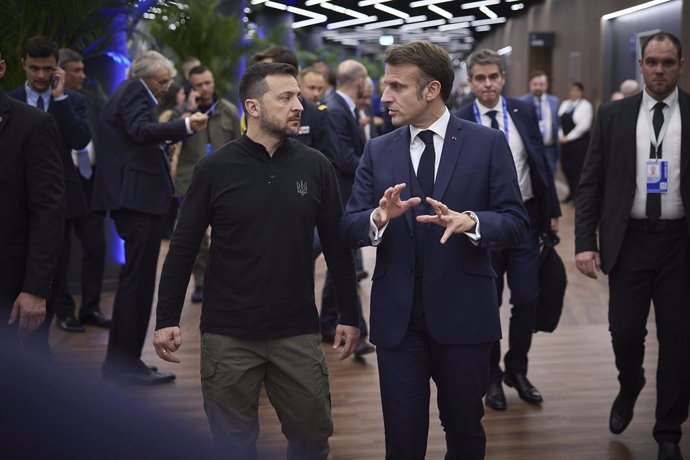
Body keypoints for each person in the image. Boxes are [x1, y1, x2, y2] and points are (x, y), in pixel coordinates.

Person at [153, 62, 360, 459]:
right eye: (286, 97)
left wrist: (349, 315)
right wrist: (166, 319)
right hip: (228, 333)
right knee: (233, 444)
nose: (298, 105)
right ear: (253, 107)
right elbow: (183, 246)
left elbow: (336, 245)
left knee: (312, 439)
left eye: (298, 95)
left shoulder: (316, 166)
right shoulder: (214, 169)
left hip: (296, 330)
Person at [340, 41, 529, 459]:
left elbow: (516, 223)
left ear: (431, 90)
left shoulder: (487, 143)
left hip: (463, 317)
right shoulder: (378, 149)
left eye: (395, 86)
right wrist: (377, 218)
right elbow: (348, 226)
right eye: (383, 86)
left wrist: (473, 222)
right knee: (403, 442)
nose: (383, 96)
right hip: (398, 322)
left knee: (464, 433)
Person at [575, 32, 689, 460]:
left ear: (680, 64)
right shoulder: (613, 115)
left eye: (668, 62)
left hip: (680, 243)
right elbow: (590, 184)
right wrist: (585, 242)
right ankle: (630, 382)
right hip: (630, 242)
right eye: (652, 62)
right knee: (625, 332)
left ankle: (668, 432)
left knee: (679, 342)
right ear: (640, 65)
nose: (659, 70)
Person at [91, 50, 208, 385]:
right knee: (136, 286)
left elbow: (136, 137)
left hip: (138, 201)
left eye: (167, 82)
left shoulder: (132, 93)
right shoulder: (132, 91)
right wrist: (185, 124)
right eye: (161, 82)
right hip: (137, 201)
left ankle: (125, 362)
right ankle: (122, 365)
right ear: (141, 76)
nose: (164, 88)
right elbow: (140, 131)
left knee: (139, 284)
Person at [456, 49, 561, 412]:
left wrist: (553, 211)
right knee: (488, 303)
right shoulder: (459, 120)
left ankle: (518, 369)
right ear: (470, 82)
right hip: (482, 225)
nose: (487, 84)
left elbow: (541, 163)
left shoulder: (523, 111)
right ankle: (492, 376)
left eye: (493, 77)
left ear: (503, 77)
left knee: (528, 298)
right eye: (480, 78)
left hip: (526, 221)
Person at [9, 36, 91, 353]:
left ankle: (42, 343)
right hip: (17, 205)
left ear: (57, 68)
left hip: (62, 203)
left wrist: (59, 100)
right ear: (22, 66)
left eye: (47, 69)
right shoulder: (10, 101)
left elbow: (80, 138)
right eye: (34, 68)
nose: (41, 76)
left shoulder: (72, 100)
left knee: (54, 273)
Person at [0, 49, 64, 343]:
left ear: (1, 69)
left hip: (9, 286)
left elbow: (48, 212)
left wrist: (36, 289)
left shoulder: (33, 124)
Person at [171, 64, 241, 303]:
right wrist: (188, 113)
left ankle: (226, 279)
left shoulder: (229, 110)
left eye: (208, 83)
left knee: (229, 232)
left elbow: (239, 145)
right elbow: (171, 140)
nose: (205, 88)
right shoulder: (180, 113)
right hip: (189, 182)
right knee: (195, 236)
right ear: (190, 86)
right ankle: (201, 281)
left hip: (225, 181)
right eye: (199, 84)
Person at [55, 48, 111, 330]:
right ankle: (63, 312)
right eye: (76, 70)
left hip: (90, 185)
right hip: (62, 186)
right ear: (61, 71)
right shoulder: (50, 103)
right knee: (59, 252)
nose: (83, 75)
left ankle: (90, 309)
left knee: (96, 247)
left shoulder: (91, 99)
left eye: (82, 69)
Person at [323, 59, 375, 356]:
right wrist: (375, 171)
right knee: (347, 265)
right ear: (359, 81)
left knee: (342, 264)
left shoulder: (349, 108)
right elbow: (343, 158)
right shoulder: (334, 109)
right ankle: (358, 331)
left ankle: (328, 321)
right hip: (342, 198)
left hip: (350, 196)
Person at [519, 70, 561, 175]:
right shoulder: (521, 102)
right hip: (531, 150)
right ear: (530, 85)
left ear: (546, 85)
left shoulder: (554, 101)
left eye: (541, 84)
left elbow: (557, 123)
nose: (538, 87)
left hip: (550, 149)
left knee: (550, 177)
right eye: (535, 84)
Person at [558, 81, 593, 203]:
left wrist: (569, 137)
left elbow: (584, 126)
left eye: (577, 90)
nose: (574, 92)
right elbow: (559, 122)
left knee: (578, 169)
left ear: (581, 92)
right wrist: (561, 135)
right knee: (566, 167)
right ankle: (571, 193)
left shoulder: (585, 105)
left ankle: (579, 196)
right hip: (564, 143)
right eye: (572, 90)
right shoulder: (565, 104)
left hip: (579, 143)